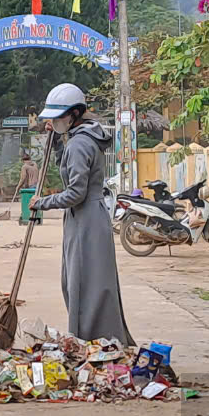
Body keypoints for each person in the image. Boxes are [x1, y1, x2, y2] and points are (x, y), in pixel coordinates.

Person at [29, 83, 134, 345]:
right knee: (89, 282)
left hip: (86, 219)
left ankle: (93, 340)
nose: (53, 122)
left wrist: (42, 202)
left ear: (74, 115)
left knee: (84, 284)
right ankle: (101, 339)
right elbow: (66, 165)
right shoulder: (85, 139)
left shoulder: (79, 144)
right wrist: (55, 143)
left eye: (58, 117)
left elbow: (75, 193)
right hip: (88, 218)